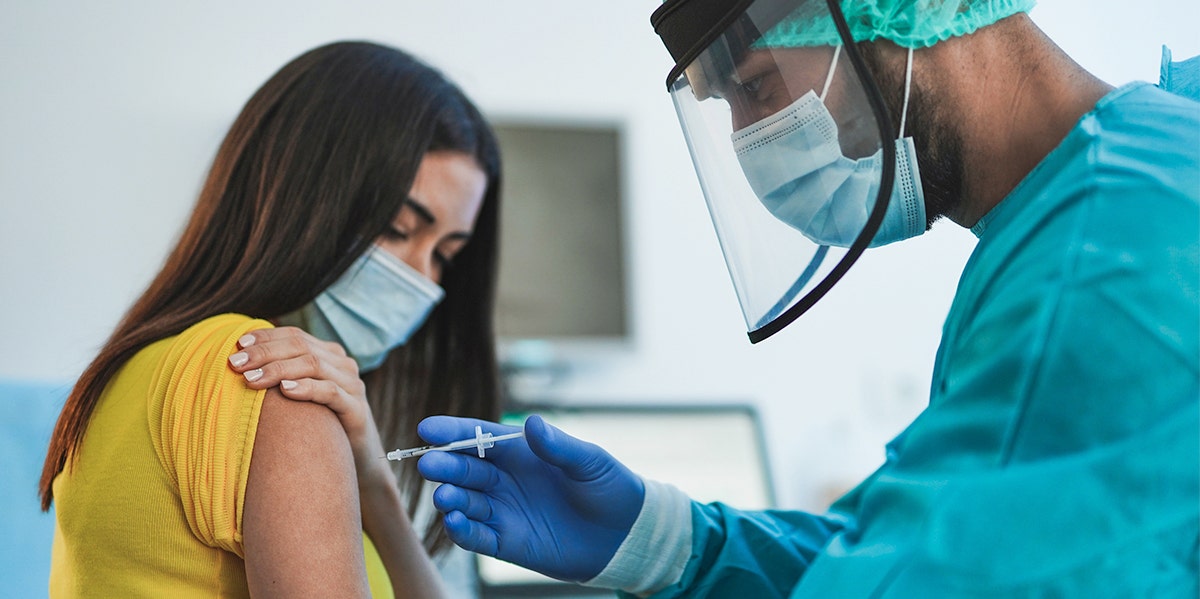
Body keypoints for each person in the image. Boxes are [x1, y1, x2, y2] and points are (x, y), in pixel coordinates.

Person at [406, 1, 1199, 597]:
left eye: (757, 86)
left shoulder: (1098, 269)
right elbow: (916, 546)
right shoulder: (1134, 165)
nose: (755, 140)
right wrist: (662, 537)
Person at [38, 40, 502, 598]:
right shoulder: (271, 379)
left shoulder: (139, 364)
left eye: (445, 254)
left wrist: (376, 483)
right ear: (301, 195)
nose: (423, 279)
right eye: (398, 229)